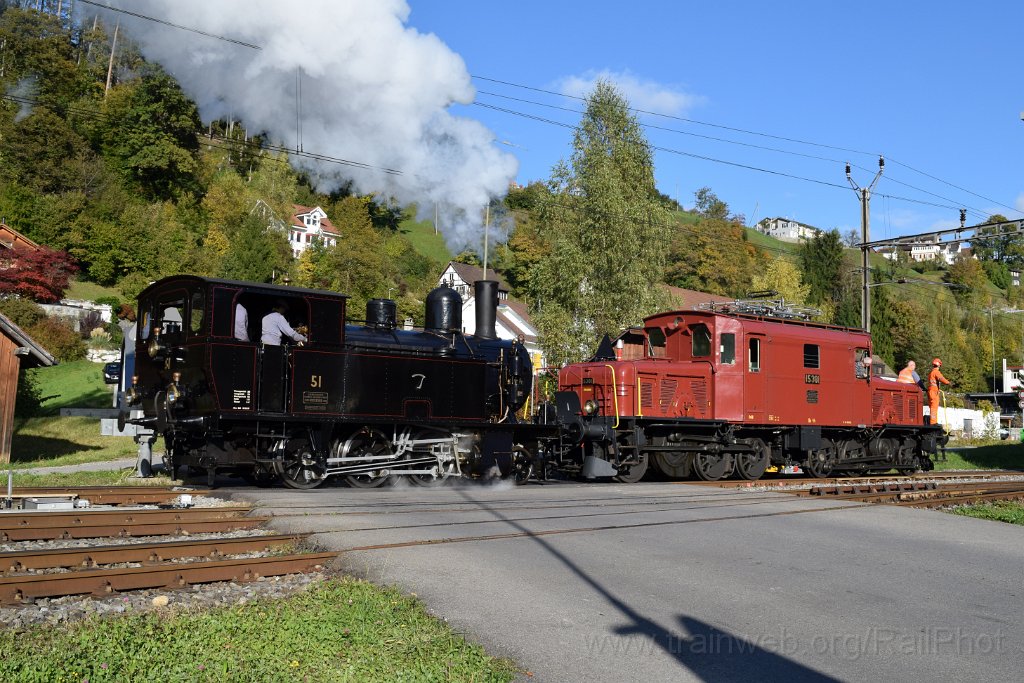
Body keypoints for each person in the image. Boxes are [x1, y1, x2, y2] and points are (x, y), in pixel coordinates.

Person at [927, 358, 951, 425]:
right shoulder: (936, 372)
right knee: (934, 407)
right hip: (934, 392)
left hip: (931, 391)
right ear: (939, 365)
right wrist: (948, 383)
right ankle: (933, 423)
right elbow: (941, 378)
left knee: (932, 407)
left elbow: (932, 383)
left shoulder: (931, 373)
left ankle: (932, 421)